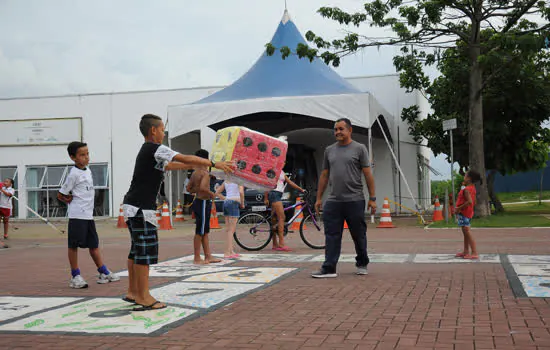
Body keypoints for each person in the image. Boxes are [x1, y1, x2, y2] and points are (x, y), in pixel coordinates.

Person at [123, 114, 233, 311]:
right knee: (145, 252)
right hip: (141, 207)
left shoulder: (149, 151)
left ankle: (133, 291)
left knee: (136, 250)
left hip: (133, 206)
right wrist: (213, 164)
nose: (163, 132)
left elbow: (172, 165)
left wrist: (195, 164)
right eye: (162, 129)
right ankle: (143, 295)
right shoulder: (155, 147)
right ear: (153, 131)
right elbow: (181, 157)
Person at [312, 118, 377, 278]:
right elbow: (324, 175)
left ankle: (362, 262)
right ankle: (329, 268)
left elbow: (368, 174)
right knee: (332, 235)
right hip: (334, 201)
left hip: (355, 200)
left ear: (350, 130)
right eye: (335, 129)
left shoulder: (360, 149)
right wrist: (318, 198)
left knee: (358, 234)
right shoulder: (329, 150)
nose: (338, 132)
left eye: (341, 129)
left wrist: (372, 198)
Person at [57, 142, 120, 289]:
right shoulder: (73, 174)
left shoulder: (88, 171)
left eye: (87, 154)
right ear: (73, 157)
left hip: (88, 216)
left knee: (94, 245)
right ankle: (75, 276)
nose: (86, 157)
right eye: (82, 155)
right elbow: (61, 194)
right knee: (73, 246)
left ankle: (103, 272)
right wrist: (69, 200)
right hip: (77, 216)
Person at [186, 149, 224, 265]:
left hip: (199, 201)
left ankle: (208, 255)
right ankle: (197, 257)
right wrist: (213, 194)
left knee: (205, 231)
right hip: (202, 202)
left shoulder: (194, 172)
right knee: (200, 231)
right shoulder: (205, 173)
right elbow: (203, 188)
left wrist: (198, 189)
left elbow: (189, 188)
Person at [264, 167, 305, 252]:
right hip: (274, 194)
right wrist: (266, 197)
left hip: (278, 195)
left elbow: (290, 182)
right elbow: (267, 183)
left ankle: (274, 244)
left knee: (274, 219)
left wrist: (300, 189)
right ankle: (281, 244)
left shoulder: (282, 172)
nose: (283, 163)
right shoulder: (272, 170)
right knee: (282, 217)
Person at [454, 170, 481, 260]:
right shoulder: (472, 188)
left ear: (469, 178)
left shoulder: (466, 190)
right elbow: (474, 201)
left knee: (467, 232)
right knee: (465, 233)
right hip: (468, 213)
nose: (464, 177)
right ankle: (466, 251)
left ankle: (474, 252)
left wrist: (458, 208)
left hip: (464, 213)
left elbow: (469, 201)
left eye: (465, 176)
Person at [215, 180, 245, 258]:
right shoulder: (239, 181)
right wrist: (242, 203)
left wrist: (225, 198)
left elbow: (217, 192)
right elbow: (241, 192)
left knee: (228, 230)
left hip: (226, 203)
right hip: (234, 203)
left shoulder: (226, 181)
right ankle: (227, 252)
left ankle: (230, 251)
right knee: (231, 230)